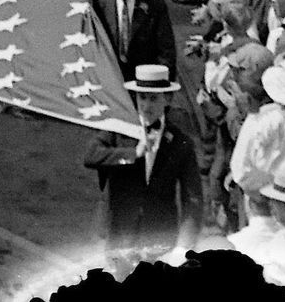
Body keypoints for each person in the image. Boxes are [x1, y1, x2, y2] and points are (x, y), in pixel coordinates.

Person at [84, 63, 205, 264]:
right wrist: (132, 153)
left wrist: (184, 245)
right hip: (119, 234)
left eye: (153, 99)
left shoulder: (180, 142)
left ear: (167, 99)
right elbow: (91, 156)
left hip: (159, 239)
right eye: (142, 98)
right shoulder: (119, 129)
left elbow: (192, 198)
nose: (147, 106)